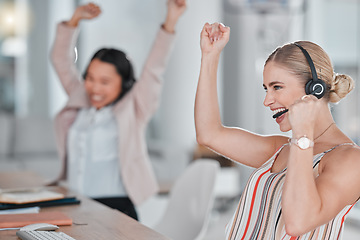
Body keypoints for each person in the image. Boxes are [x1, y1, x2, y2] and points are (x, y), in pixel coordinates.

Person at [195, 22, 360, 239]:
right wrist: (210, 56)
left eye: (277, 87)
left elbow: (297, 223)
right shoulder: (281, 149)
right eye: (266, 89)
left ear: (314, 88)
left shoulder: (350, 160)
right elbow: (209, 134)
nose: (267, 100)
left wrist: (303, 133)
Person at [50, 1, 187, 220]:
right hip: (76, 203)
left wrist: (170, 21)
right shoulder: (80, 98)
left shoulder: (135, 107)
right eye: (90, 78)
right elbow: (61, 60)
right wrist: (74, 21)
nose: (94, 88)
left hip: (116, 208)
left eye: (105, 82)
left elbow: (154, 68)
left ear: (123, 83)